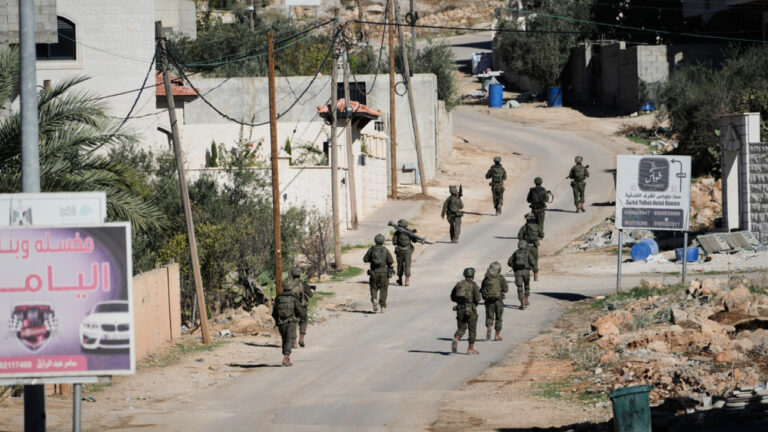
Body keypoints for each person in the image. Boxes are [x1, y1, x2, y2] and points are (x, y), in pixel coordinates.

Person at [450, 267, 482, 354]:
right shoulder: (474, 285)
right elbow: (478, 298)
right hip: (471, 309)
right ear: (473, 275)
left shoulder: (459, 284)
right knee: (472, 330)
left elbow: (452, 297)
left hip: (460, 309)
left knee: (461, 328)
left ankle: (456, 339)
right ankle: (470, 349)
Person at [271, 289, 304, 366]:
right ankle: (286, 357)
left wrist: (277, 321)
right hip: (290, 322)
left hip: (281, 323)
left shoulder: (278, 298)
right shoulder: (293, 298)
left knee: (284, 339)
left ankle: (286, 355)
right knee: (289, 340)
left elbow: (274, 313)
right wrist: (298, 316)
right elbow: (300, 311)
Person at [363, 234, 394, 312]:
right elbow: (390, 261)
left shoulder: (371, 250)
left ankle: (374, 299)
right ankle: (383, 306)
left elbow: (365, 259)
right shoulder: (385, 250)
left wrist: (372, 259)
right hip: (384, 272)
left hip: (374, 272)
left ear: (375, 240)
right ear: (383, 241)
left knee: (373, 288)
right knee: (384, 289)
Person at [284, 266, 313, 348]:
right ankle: (301, 339)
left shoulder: (288, 284)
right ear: (300, 274)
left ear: (292, 274)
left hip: (291, 306)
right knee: (303, 321)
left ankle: (294, 342)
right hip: (302, 306)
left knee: (292, 323)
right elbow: (311, 295)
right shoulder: (303, 284)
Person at [480, 261, 508, 341]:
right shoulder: (500, 278)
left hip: (488, 301)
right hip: (498, 300)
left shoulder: (486, 278)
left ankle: (489, 328)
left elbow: (482, 289)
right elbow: (506, 290)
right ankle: (497, 335)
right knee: (499, 318)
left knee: (489, 317)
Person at [508, 240, 536, 310]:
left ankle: (522, 304)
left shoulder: (516, 252)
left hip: (518, 272)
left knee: (520, 287)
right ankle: (526, 300)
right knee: (527, 285)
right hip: (526, 271)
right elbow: (533, 262)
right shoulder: (527, 252)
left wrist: (514, 266)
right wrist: (531, 267)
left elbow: (509, 262)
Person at [517, 213, 543, 281]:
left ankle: (526, 276)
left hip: (526, 247)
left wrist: (524, 241)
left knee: (526, 261)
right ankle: (536, 276)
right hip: (534, 247)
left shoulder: (524, 227)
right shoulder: (537, 227)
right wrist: (536, 239)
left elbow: (519, 237)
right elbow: (542, 235)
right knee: (535, 261)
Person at [392, 219, 415, 286]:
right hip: (408, 251)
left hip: (400, 251)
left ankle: (400, 279)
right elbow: (414, 240)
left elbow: (394, 242)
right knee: (407, 265)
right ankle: (407, 280)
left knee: (400, 265)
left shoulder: (397, 233)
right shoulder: (409, 232)